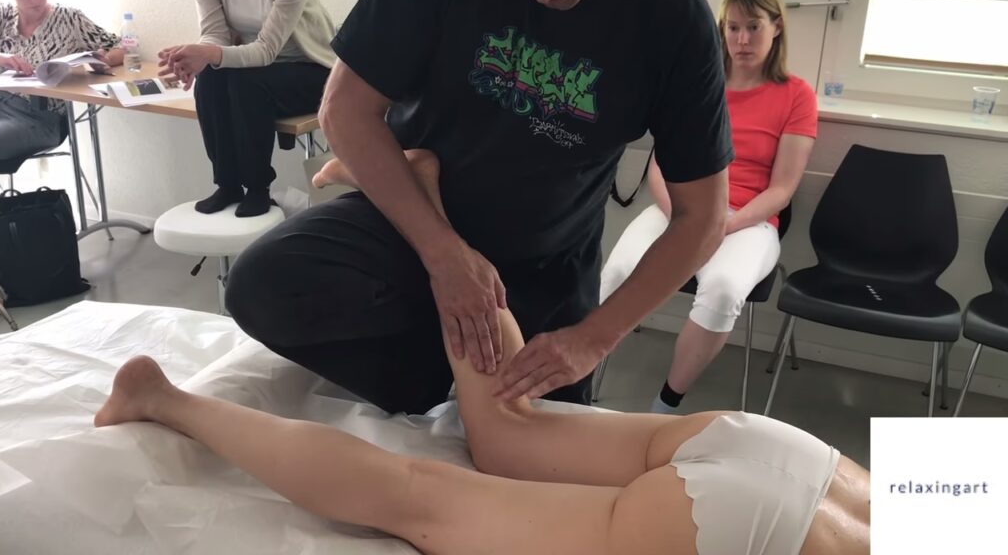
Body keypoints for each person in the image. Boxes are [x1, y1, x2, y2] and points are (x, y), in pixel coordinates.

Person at [97, 149, 869, 555]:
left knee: (508, 429)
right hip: (742, 533)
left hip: (797, 459)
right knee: (417, 498)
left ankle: (426, 197)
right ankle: (161, 398)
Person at [225, 0, 734, 415]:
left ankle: (437, 382)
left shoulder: (676, 20)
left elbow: (703, 218)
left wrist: (594, 339)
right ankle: (427, 376)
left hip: (546, 267)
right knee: (258, 288)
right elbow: (343, 110)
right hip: (411, 227)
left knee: (532, 448)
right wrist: (442, 254)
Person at [600, 0, 818, 413]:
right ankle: (576, 384)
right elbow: (659, 167)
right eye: (733, 28)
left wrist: (722, 224)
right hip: (679, 207)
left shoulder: (797, 95)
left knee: (722, 289)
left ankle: (666, 405)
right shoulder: (700, 81)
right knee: (619, 270)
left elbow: (782, 189)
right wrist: (684, 216)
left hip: (748, 220)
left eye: (753, 27)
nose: (742, 40)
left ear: (776, 27)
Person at [159, 0, 336, 217]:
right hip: (255, 68)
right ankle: (228, 185)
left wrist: (208, 54)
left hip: (312, 68)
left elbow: (266, 49)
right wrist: (197, 57)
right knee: (209, 75)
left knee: (247, 82)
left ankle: (257, 188)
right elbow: (215, 34)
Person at [0, 0, 123, 163]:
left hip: (38, 117)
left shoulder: (69, 18)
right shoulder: (0, 15)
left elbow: (120, 46)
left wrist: (103, 60)